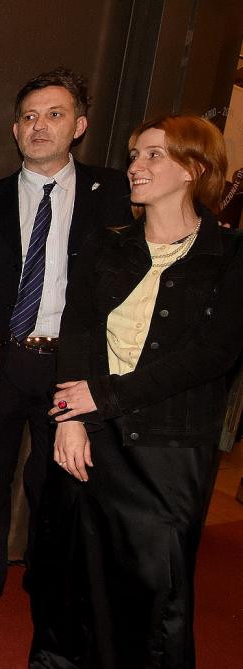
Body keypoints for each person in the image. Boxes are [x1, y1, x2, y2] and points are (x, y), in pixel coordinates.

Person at [31, 115, 243, 668]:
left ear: (194, 168)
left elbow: (214, 355)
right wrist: (69, 420)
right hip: (87, 435)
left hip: (168, 449)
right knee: (69, 574)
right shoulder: (108, 244)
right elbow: (76, 329)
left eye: (153, 155)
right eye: (134, 155)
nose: (135, 167)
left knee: (154, 591)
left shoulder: (232, 255)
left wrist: (105, 397)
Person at [0, 68, 131, 617]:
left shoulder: (118, 196)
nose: (39, 126)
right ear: (14, 130)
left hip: (71, 363)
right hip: (3, 360)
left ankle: (43, 572)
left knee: (54, 482)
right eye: (29, 116)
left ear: (78, 125)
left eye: (54, 114)